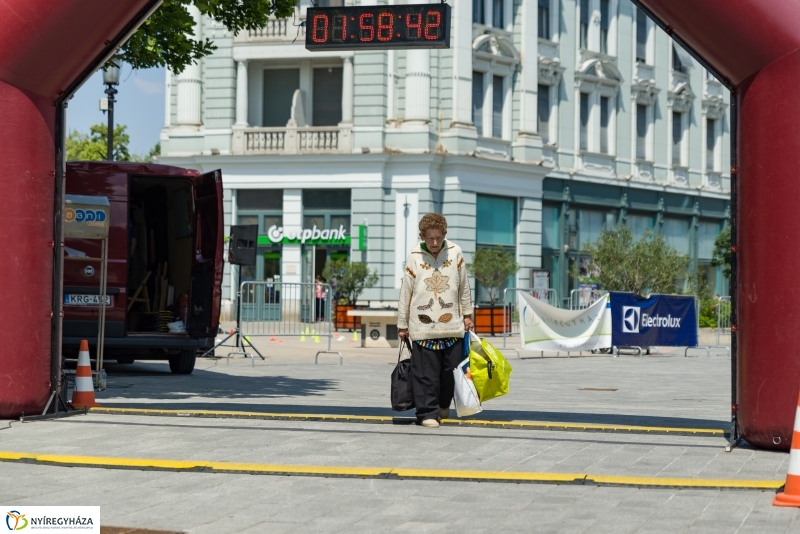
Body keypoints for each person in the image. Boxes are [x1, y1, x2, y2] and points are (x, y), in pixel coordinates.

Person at [398, 213, 474, 428]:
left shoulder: (456, 253)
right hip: (422, 327)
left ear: (445, 234)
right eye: (429, 238)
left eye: (438, 238)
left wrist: (467, 315)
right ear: (421, 236)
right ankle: (427, 414)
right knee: (425, 375)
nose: (434, 243)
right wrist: (402, 324)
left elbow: (464, 286)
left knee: (451, 372)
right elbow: (406, 291)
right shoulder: (414, 256)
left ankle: (442, 404)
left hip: (452, 326)